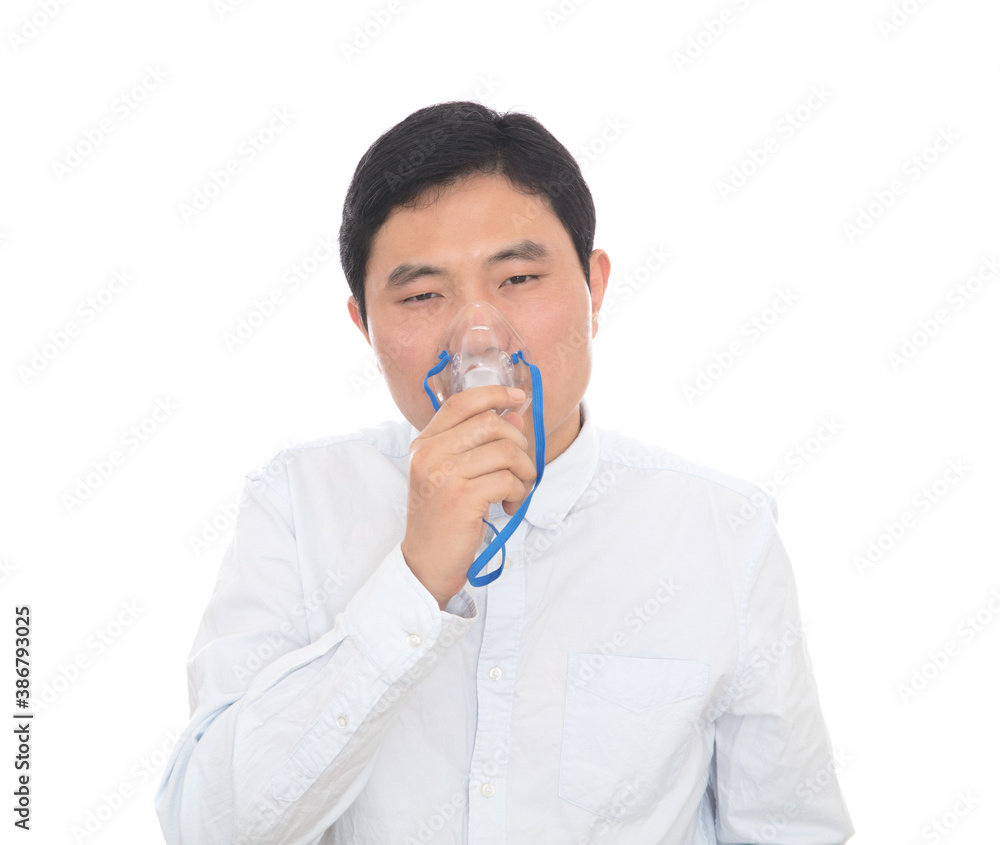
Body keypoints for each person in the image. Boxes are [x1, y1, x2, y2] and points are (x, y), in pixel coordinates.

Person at [155, 101, 854, 844]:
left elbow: (791, 831)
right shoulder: (298, 505)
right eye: (423, 295)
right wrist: (415, 581)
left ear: (595, 288)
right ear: (365, 324)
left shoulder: (722, 530)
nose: (479, 340)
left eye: (518, 277)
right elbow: (208, 829)